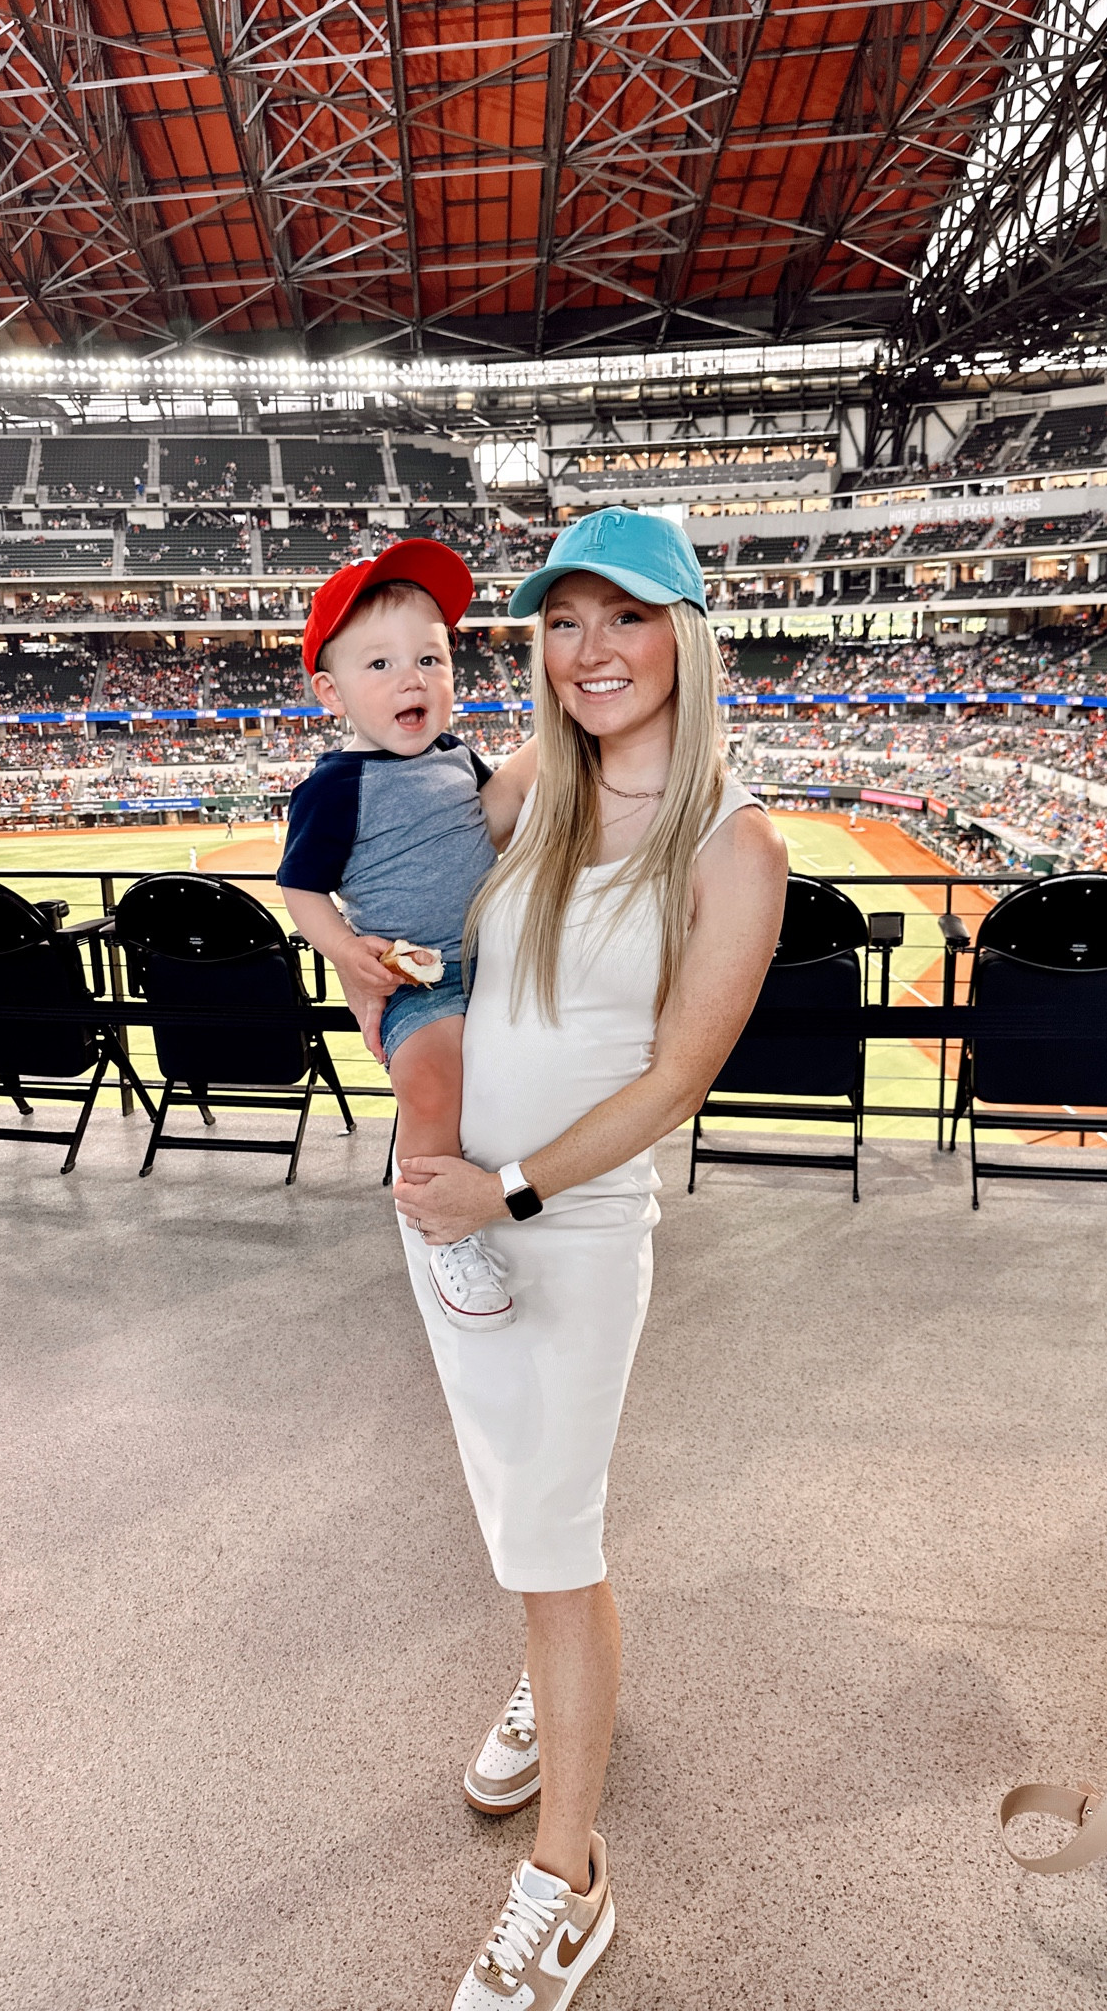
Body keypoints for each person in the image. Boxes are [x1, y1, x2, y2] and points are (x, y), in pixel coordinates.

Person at [393, 508, 788, 2008]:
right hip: (453, 1221)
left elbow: (674, 1082)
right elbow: (397, 913)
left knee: (558, 1538)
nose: (589, 650)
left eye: (624, 618)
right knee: (517, 1515)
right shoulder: (524, 789)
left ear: (685, 636)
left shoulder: (736, 842)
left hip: (558, 1228)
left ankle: (568, 1881)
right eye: (562, 621)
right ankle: (549, 1689)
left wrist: (503, 1190)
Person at [280, 539, 522, 1328]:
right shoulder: (334, 787)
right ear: (332, 691)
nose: (412, 677)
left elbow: (505, 822)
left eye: (429, 658)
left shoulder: (459, 756)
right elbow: (301, 886)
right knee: (430, 1077)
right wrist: (344, 951)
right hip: (417, 973)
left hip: (502, 959)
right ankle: (439, 1223)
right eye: (379, 664)